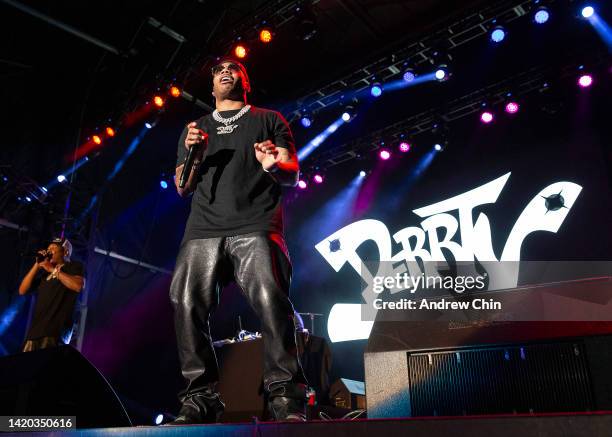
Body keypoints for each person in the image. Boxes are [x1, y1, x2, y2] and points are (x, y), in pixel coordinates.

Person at [169, 58, 307, 423]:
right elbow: (182, 186)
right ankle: (200, 398)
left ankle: (285, 396)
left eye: (233, 68)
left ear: (245, 81)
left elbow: (292, 172)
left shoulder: (268, 119)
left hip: (256, 224)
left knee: (272, 304)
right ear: (212, 87)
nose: (225, 71)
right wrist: (194, 151)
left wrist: (274, 166)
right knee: (185, 304)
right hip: (203, 230)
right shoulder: (195, 129)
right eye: (218, 71)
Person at [18, 238, 85, 351]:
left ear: (66, 252)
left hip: (55, 334)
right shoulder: (44, 275)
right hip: (34, 334)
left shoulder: (73, 267)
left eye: (54, 248)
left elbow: (78, 286)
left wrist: (53, 270)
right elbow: (22, 290)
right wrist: (37, 265)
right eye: (48, 248)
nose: (49, 251)